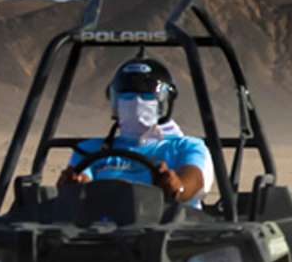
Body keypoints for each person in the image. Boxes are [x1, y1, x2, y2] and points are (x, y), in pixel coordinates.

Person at [57, 58, 214, 208]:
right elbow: (81, 179)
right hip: (100, 230)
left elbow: (195, 179)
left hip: (168, 231)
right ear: (115, 101)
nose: (136, 102)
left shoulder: (187, 147)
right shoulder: (89, 150)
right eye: (127, 96)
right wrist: (73, 187)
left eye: (146, 96)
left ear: (163, 102)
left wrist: (177, 187)